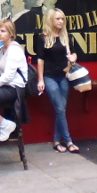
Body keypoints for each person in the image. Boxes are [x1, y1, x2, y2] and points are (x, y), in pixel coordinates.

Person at [36, 8, 79, 153]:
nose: (61, 21)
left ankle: (56, 141)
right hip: (49, 77)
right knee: (60, 109)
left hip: (64, 76)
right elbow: (40, 60)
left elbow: (74, 53)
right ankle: (69, 141)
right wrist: (40, 80)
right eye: (57, 19)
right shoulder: (43, 38)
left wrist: (73, 57)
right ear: (50, 20)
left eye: (62, 19)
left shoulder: (66, 37)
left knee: (61, 110)